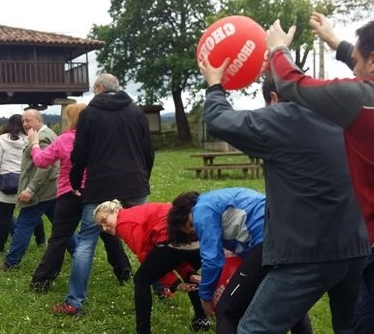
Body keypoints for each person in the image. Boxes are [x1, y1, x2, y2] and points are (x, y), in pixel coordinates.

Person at [197, 56, 370, 333]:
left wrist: (215, 85)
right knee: (349, 327)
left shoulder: (281, 118)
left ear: (275, 98)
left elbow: (219, 120)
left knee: (254, 328)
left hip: (309, 252)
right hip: (356, 246)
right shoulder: (338, 115)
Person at [266, 14, 374, 333]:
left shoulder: (362, 100)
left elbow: (291, 83)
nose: (353, 71)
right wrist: (337, 44)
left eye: (356, 62)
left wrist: (277, 50)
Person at [53, 73, 154, 315]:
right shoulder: (136, 112)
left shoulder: (89, 114)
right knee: (147, 236)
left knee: (86, 241)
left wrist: (76, 181)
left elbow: (80, 153)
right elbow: (148, 150)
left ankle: (74, 302)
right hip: (134, 183)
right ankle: (162, 286)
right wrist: (143, 177)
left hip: (100, 186)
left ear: (99, 88)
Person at [167, 188, 312, 334]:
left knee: (226, 312)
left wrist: (205, 297)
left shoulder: (201, 209)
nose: (196, 230)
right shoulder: (219, 199)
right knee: (288, 300)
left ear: (187, 211)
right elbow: (247, 257)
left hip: (266, 238)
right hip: (288, 234)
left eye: (191, 226)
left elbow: (212, 260)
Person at [94, 200, 210, 334]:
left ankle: (143, 331)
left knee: (141, 280)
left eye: (104, 220)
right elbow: (168, 255)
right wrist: (187, 273)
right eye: (100, 225)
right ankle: (201, 319)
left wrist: (173, 283)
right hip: (195, 236)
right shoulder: (136, 212)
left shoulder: (124, 222)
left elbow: (147, 256)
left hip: (175, 236)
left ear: (115, 211)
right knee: (183, 267)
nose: (104, 227)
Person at [29, 103, 87, 292]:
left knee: (59, 238)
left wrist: (34, 143)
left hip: (69, 193)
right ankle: (124, 272)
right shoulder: (98, 138)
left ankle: (41, 281)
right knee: (108, 236)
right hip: (94, 192)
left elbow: (41, 161)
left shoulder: (64, 139)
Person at [0, 108, 60, 270]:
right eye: (23, 120)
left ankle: (10, 262)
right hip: (50, 191)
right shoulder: (45, 134)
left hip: (39, 192)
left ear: (39, 120)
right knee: (61, 226)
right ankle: (76, 251)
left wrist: (30, 189)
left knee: (23, 226)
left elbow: (45, 167)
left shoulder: (43, 137)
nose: (25, 124)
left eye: (29, 120)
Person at [0, 114, 45, 254]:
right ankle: (41, 240)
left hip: (5, 184)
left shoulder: (1, 140)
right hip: (25, 183)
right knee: (33, 214)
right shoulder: (31, 139)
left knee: (4, 218)